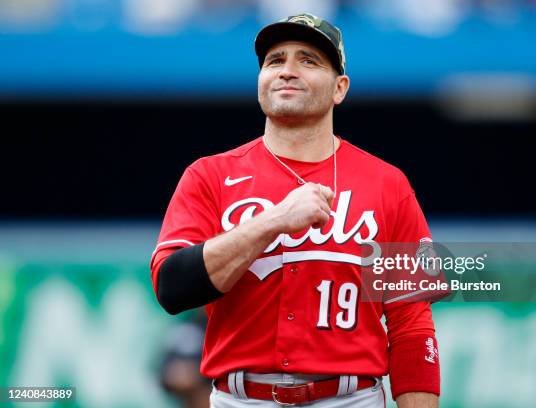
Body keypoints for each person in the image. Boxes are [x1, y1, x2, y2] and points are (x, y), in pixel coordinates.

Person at [150, 13, 441, 407]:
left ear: (340, 88)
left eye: (308, 60)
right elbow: (171, 287)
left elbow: (412, 325)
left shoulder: (388, 184)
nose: (287, 71)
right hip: (241, 397)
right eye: (275, 61)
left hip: (350, 398)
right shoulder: (210, 175)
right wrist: (272, 221)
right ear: (260, 85)